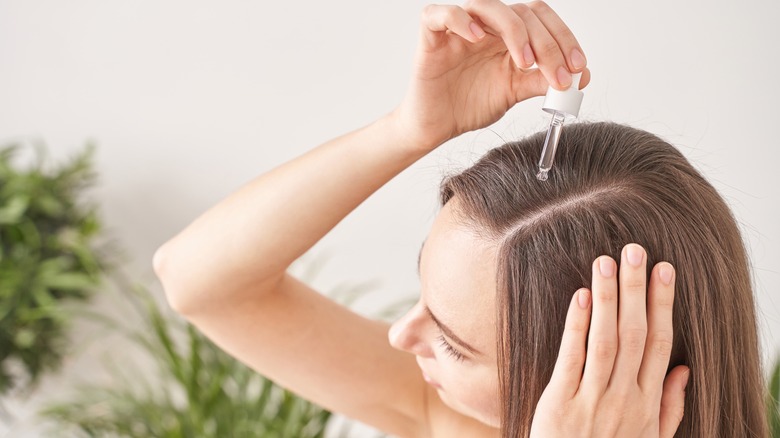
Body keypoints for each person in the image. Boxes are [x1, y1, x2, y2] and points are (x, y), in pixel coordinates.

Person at [152, 1, 767, 436]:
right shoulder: (454, 417)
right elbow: (199, 282)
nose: (401, 335)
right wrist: (407, 130)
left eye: (454, 344)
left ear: (590, 370)